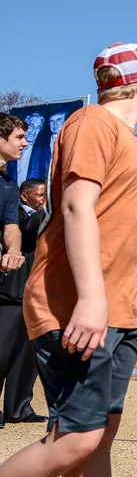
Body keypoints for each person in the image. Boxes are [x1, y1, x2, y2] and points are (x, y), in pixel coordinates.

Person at [0, 42, 137, 477]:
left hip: (119, 311)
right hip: (76, 308)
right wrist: (92, 299)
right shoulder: (93, 122)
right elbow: (77, 207)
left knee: (95, 438)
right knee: (76, 439)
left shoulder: (122, 136)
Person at [0, 178, 47, 429]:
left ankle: (18, 408)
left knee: (27, 356)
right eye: (40, 195)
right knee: (2, 351)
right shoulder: (15, 214)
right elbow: (27, 229)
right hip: (11, 293)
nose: (44, 200)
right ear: (24, 196)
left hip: (38, 295)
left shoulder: (47, 217)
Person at [0, 114, 27, 277]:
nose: (25, 143)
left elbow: (11, 225)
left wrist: (14, 250)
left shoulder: (9, 184)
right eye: (19, 137)